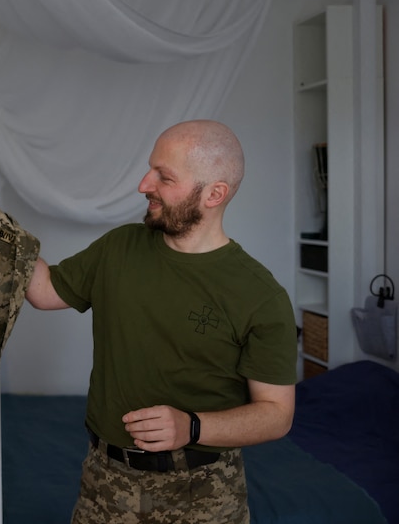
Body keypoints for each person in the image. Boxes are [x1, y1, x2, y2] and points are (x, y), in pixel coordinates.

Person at [25, 120, 298, 524]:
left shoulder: (260, 296)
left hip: (203, 493)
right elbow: (45, 291)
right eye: (150, 169)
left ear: (214, 194)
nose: (143, 185)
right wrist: (1, 233)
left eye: (163, 177)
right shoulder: (120, 247)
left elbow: (277, 413)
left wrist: (192, 427)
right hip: (104, 482)